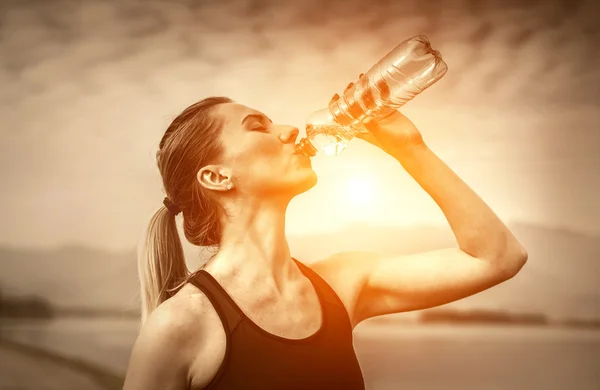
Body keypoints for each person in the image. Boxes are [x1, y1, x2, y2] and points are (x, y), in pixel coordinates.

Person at [123, 96, 528, 390]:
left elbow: (498, 257)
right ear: (217, 177)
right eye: (257, 126)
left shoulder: (342, 284)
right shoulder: (179, 326)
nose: (290, 130)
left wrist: (410, 149)